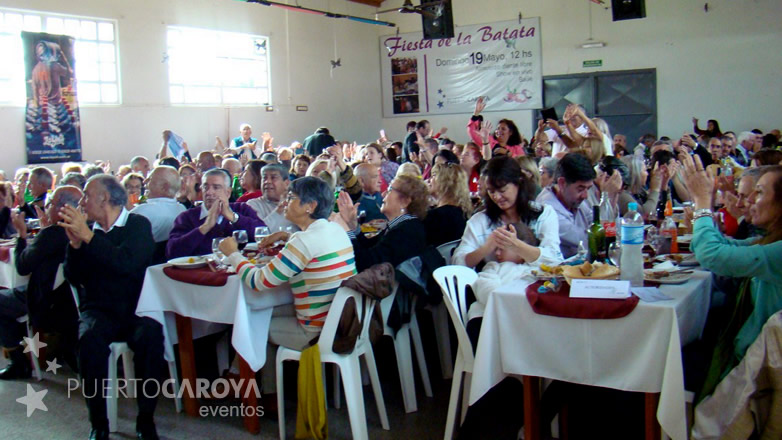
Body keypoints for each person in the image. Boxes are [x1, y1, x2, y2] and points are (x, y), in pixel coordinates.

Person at [219, 176, 356, 395]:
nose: (285, 202)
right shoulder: (335, 230)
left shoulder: (303, 242)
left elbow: (259, 281)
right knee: (257, 313)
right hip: (339, 321)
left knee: (252, 322)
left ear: (310, 206)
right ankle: (262, 389)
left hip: (315, 329)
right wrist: (287, 235)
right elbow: (312, 246)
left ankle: (247, 388)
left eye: (291, 197)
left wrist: (233, 254)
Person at [58, 175, 163, 440]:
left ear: (104, 198)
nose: (82, 202)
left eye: (86, 196)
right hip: (98, 310)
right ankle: (99, 424)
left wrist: (89, 238)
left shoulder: (137, 224)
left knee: (151, 336)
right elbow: (74, 277)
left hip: (135, 308)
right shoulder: (89, 231)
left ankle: (146, 419)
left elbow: (126, 263)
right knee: (89, 340)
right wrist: (75, 244)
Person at [678, 154, 782, 403]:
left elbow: (713, 255)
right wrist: (706, 210)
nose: (749, 203)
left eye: (758, 193)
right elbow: (729, 246)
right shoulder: (770, 241)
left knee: (674, 357)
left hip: (759, 364)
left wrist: (703, 203)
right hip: (756, 351)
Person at [0, 186, 82, 380]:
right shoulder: (83, 229)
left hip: (44, 300)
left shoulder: (54, 233)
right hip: (69, 302)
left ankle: (18, 362)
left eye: (50, 203)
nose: (46, 207)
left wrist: (21, 235)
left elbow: (22, 266)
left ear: (61, 208)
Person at [453, 155, 562, 268]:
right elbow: (458, 262)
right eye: (491, 191)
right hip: (496, 281)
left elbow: (554, 259)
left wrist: (517, 246)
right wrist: (487, 248)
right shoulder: (480, 220)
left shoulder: (543, 214)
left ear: (519, 183)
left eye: (502, 190)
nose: (497, 197)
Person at [333, 175, 429, 272]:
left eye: (390, 190)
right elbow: (369, 248)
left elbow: (366, 264)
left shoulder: (406, 232)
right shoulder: (404, 226)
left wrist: (346, 230)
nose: (383, 194)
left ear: (405, 201)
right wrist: (352, 225)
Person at [167, 169, 264, 258]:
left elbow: (263, 234)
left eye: (216, 187)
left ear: (228, 192)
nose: (209, 192)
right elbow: (172, 252)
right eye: (205, 187)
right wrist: (205, 227)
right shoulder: (186, 217)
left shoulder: (242, 209)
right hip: (201, 274)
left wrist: (233, 217)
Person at [535, 153, 596, 259]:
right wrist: (609, 195)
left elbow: (597, 223)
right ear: (562, 183)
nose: (585, 196)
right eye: (580, 189)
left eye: (588, 188)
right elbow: (591, 241)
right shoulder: (547, 208)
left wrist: (610, 199)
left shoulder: (574, 199)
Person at [130, 166, 185, 263]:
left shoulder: (142, 212)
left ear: (164, 187)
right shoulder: (182, 209)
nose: (145, 181)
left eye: (150, 179)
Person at [425, 163, 471, 247]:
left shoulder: (433, 217)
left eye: (434, 176)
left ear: (445, 183)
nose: (429, 180)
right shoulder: (465, 214)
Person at [247, 164, 298, 232]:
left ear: (287, 183)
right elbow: (260, 231)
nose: (267, 182)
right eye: (264, 178)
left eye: (273, 178)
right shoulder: (253, 204)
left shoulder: (296, 204)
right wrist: (279, 209)